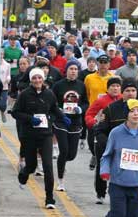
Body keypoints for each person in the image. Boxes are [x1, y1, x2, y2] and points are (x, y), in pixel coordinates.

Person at [12, 68, 67, 208]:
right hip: (29, 135)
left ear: (43, 79)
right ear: (31, 80)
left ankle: (49, 199)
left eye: (39, 78)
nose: (37, 81)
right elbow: (15, 113)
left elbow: (54, 108)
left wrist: (62, 117)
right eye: (34, 78)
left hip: (45, 135)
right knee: (31, 166)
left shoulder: (49, 94)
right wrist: (30, 119)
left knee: (48, 166)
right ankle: (23, 174)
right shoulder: (24, 95)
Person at [51, 61, 88, 191]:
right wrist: (59, 111)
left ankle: (62, 163)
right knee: (64, 150)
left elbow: (85, 103)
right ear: (66, 70)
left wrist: (80, 109)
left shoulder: (81, 86)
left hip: (75, 122)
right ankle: (61, 181)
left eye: (75, 69)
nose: (73, 71)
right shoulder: (58, 86)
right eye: (71, 69)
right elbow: (52, 103)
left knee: (71, 155)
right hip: (61, 121)